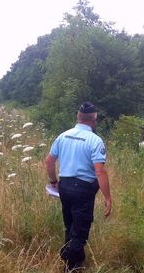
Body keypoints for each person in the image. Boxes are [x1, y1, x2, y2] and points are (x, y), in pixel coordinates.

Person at [45, 102, 112, 272]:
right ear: (94, 120)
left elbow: (49, 161)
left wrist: (54, 182)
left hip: (65, 186)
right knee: (80, 232)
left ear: (78, 116)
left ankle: (75, 265)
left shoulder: (63, 136)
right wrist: (107, 197)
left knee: (70, 225)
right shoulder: (95, 141)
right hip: (83, 190)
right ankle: (66, 255)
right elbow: (100, 171)